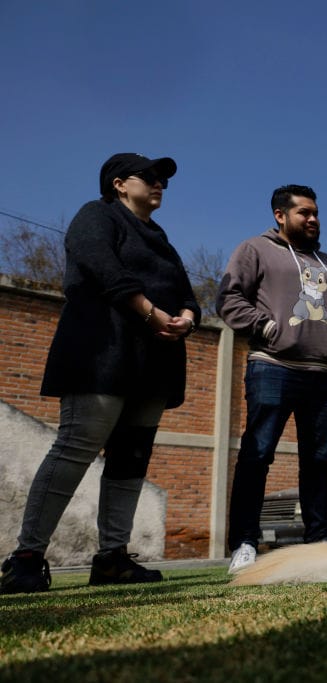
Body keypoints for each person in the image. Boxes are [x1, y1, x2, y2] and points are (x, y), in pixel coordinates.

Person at [1, 153, 200, 594]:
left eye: (162, 179)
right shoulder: (96, 216)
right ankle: (26, 557)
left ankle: (113, 557)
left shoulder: (160, 237)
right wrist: (150, 312)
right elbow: (103, 269)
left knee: (131, 460)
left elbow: (187, 292)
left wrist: (187, 316)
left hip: (155, 361)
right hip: (102, 351)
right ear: (117, 183)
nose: (159, 184)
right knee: (76, 447)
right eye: (148, 177)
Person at [217, 184, 327, 573]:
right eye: (303, 213)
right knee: (256, 456)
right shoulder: (254, 249)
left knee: (318, 463)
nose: (312, 219)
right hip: (272, 367)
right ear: (280, 215)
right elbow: (229, 299)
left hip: (323, 376)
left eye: (315, 213)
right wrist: (265, 328)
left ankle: (317, 541)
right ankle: (244, 543)